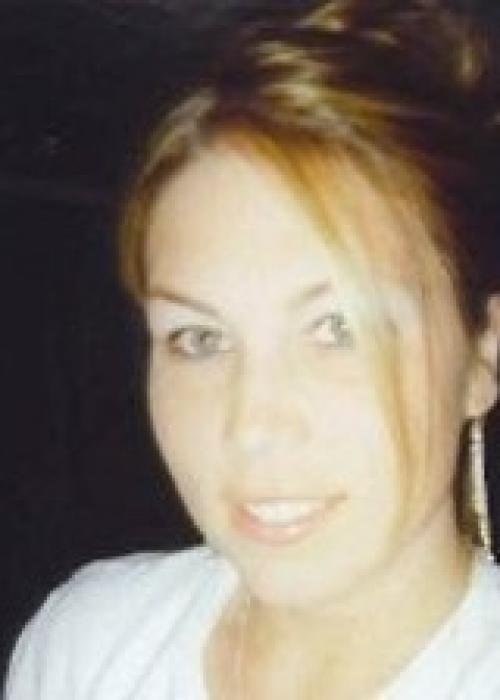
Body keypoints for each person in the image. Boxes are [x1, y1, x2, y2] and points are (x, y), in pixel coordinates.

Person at [4, 1, 500, 698]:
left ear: (482, 356)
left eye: (337, 328)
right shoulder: (87, 646)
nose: (251, 428)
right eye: (199, 339)